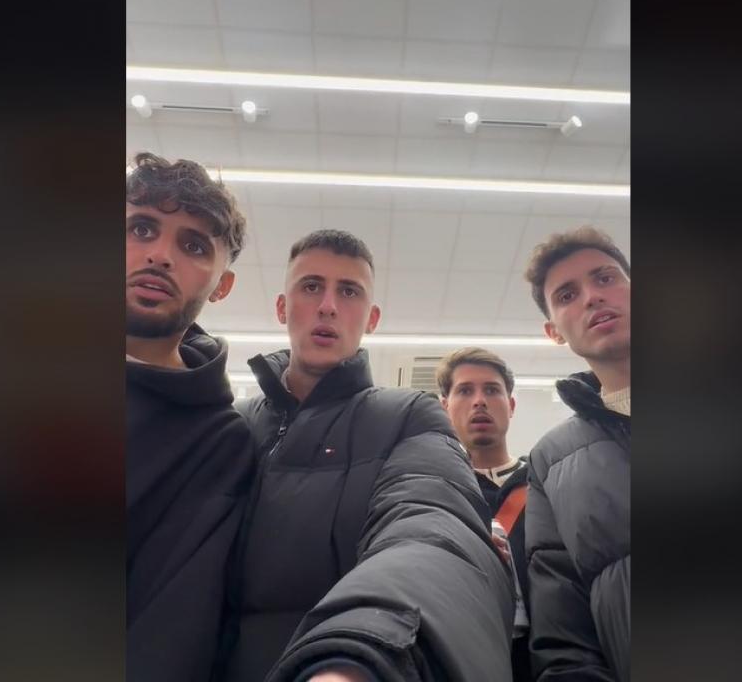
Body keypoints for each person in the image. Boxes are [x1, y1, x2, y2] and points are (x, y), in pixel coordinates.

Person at [220, 229, 513, 682]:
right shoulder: (231, 426)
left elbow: (431, 523)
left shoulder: (408, 416)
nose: (328, 306)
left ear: (372, 318)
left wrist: (362, 658)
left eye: (349, 291)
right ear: (282, 307)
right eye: (311, 286)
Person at [126, 152, 255, 682]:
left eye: (194, 245)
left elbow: (170, 630)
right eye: (141, 228)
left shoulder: (220, 444)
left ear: (222, 285)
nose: (160, 256)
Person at [521, 226, 631, 682]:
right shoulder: (550, 461)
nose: (592, 297)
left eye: (605, 278)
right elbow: (563, 634)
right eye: (567, 295)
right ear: (554, 332)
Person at [436, 347, 532, 681]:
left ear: (511, 405)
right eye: (465, 391)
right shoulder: (432, 493)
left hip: (544, 659)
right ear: (444, 407)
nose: (479, 401)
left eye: (492, 390)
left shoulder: (547, 484)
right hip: (457, 654)